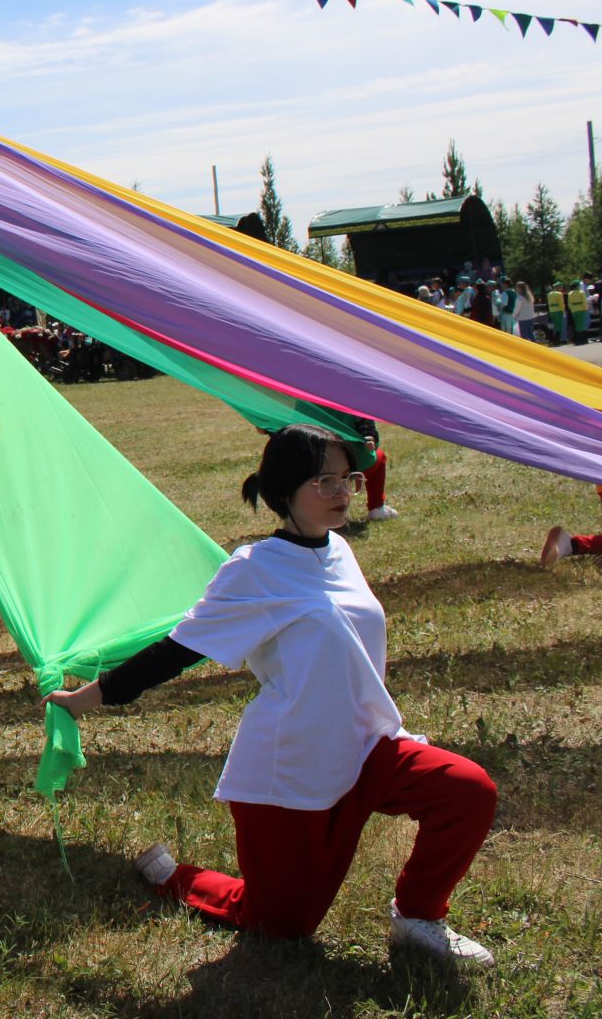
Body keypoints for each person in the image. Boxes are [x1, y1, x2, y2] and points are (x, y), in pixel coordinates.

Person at [45, 424, 497, 966]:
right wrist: (89, 697)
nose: (342, 494)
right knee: (282, 923)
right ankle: (173, 876)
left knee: (468, 791)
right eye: (323, 481)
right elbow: (177, 651)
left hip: (369, 747)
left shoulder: (340, 551)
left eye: (348, 479)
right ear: (284, 491)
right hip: (292, 768)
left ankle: (418, 917)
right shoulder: (254, 570)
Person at [572, 278, 592, 344]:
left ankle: (577, 340)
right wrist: (586, 308)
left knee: (577, 325)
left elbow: (569, 303)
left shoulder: (570, 293)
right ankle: (583, 340)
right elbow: (584, 301)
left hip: (574, 310)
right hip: (582, 309)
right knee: (584, 324)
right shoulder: (581, 291)